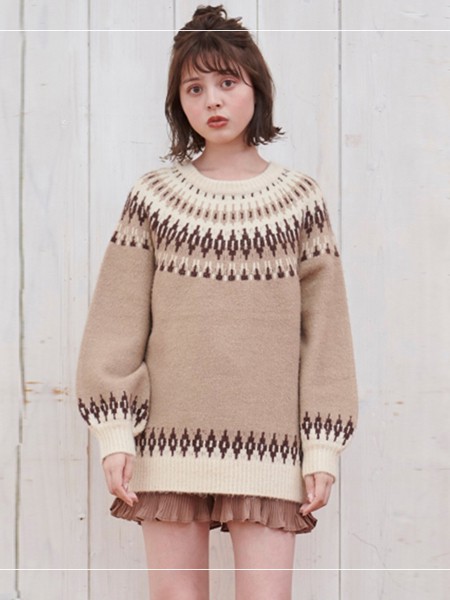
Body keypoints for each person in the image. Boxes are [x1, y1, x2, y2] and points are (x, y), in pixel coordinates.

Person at [75, 4, 359, 599]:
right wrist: (116, 435)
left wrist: (322, 448)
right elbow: (116, 324)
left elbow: (326, 336)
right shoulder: (154, 197)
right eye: (195, 88)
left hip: (271, 445)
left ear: (257, 89)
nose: (213, 100)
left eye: (228, 82)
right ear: (178, 102)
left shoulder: (299, 200)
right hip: (167, 443)